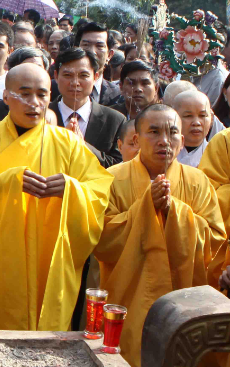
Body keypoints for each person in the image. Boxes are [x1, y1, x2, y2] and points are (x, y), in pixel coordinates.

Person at [0, 63, 113, 331]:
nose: (34, 103)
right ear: (5, 97)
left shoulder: (69, 143)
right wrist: (8, 183)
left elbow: (99, 192)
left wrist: (72, 189)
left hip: (49, 261)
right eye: (24, 94)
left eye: (42, 94)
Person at [95, 104, 225, 367]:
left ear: (182, 139)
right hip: (128, 295)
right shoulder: (111, 178)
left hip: (183, 297)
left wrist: (173, 211)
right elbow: (101, 239)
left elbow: (214, 240)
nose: (164, 141)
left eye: (173, 133)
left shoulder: (198, 181)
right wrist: (145, 208)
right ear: (136, 138)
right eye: (153, 132)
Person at [50, 48, 124, 167]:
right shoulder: (42, 116)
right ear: (56, 76)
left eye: (83, 75)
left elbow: (118, 167)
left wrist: (82, 145)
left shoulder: (115, 120)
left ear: (95, 77)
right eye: (67, 75)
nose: (75, 82)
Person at [75, 22, 121, 106]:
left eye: (99, 46)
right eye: (86, 45)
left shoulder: (118, 95)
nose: (92, 51)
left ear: (109, 54)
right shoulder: (59, 88)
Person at [173, 90, 213, 167]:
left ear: (211, 118)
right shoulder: (164, 154)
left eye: (203, 115)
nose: (196, 123)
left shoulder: (218, 154)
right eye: (188, 116)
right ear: (174, 118)